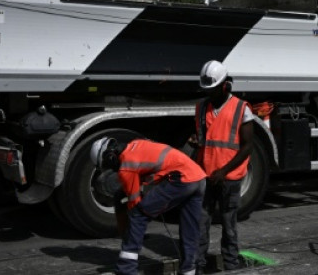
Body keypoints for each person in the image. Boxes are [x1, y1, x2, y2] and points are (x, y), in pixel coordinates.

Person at [90, 136, 207, 275]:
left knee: (138, 216)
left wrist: (126, 228)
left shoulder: (126, 168)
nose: (112, 170)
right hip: (199, 177)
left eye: (107, 166)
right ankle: (189, 270)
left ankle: (126, 269)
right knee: (190, 226)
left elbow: (134, 205)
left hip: (181, 180)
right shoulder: (135, 143)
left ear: (110, 157)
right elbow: (150, 165)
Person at [193, 60, 256, 272]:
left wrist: (224, 171)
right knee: (201, 223)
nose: (209, 94)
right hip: (206, 176)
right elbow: (205, 140)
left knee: (229, 225)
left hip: (229, 178)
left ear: (225, 86)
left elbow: (247, 147)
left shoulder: (241, 109)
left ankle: (230, 264)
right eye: (206, 90)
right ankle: (198, 265)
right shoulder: (201, 108)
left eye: (213, 90)